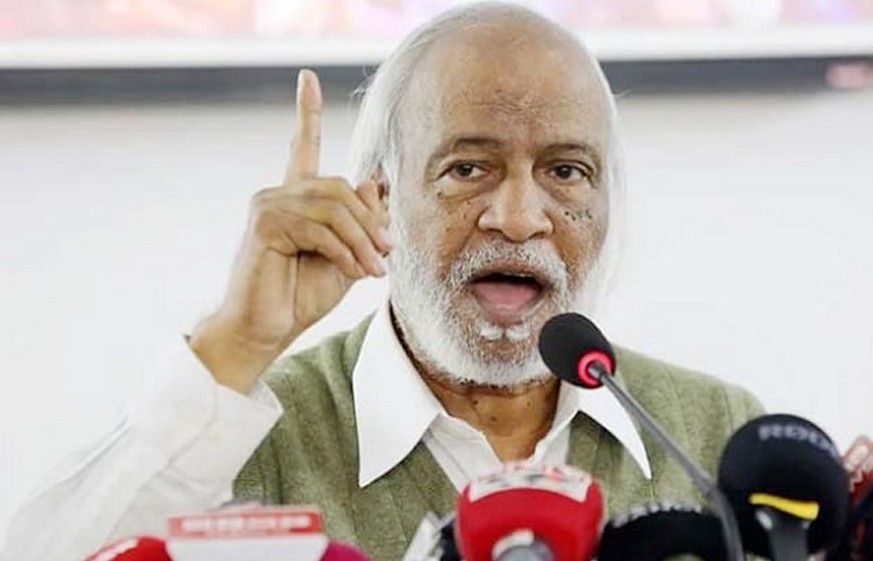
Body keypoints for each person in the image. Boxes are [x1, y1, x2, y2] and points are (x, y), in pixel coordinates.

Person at [3, 3, 763, 561]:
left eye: (565, 172)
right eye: (468, 168)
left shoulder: (712, 434)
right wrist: (233, 346)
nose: (519, 217)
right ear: (381, 196)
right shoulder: (249, 439)